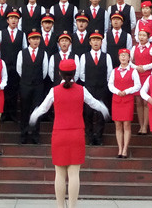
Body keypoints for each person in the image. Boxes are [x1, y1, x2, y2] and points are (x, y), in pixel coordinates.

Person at [29, 58, 109, 208]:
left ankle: (60, 206)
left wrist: (33, 116)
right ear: (75, 73)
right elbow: (95, 104)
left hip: (59, 134)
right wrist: (105, 110)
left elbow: (43, 109)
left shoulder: (54, 91)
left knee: (59, 174)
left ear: (59, 73)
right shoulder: (82, 90)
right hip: (76, 134)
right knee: (74, 174)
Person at [79, 31, 112, 145]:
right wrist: (90, 83)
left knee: (101, 113)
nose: (96, 42)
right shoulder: (84, 56)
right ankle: (89, 137)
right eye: (93, 40)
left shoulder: (107, 57)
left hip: (102, 88)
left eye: (98, 40)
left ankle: (98, 137)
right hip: (89, 88)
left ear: (101, 42)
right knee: (88, 113)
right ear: (90, 42)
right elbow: (81, 74)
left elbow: (109, 74)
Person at [17, 30, 48, 144]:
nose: (35, 41)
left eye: (37, 39)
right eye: (33, 39)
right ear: (29, 40)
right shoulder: (22, 53)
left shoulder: (43, 53)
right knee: (24, 110)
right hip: (25, 85)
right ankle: (23, 134)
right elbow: (19, 69)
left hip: (38, 86)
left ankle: (35, 135)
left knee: (37, 110)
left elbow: (45, 71)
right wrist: (27, 79)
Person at [108, 48, 141, 158]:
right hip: (117, 100)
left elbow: (138, 85)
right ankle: (119, 148)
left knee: (126, 124)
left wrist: (126, 91)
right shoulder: (114, 71)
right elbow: (110, 84)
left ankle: (125, 149)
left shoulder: (133, 71)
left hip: (127, 100)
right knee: (118, 125)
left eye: (125, 55)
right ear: (118, 58)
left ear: (129, 58)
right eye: (121, 55)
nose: (123, 57)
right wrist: (117, 91)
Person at [0, 8, 25, 122]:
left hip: (16, 67)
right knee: (4, 90)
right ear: (7, 20)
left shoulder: (22, 34)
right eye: (11, 18)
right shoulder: (1, 33)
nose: (14, 20)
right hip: (4, 66)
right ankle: (3, 114)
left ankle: (13, 114)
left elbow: (24, 51)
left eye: (16, 18)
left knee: (14, 91)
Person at [130, 26, 152, 135]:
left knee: (146, 101)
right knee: (138, 102)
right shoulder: (134, 48)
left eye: (144, 35)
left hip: (147, 76)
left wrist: (145, 67)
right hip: (137, 76)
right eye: (140, 35)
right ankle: (141, 126)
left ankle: (145, 126)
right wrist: (136, 67)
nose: (141, 37)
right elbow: (129, 61)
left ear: (148, 37)